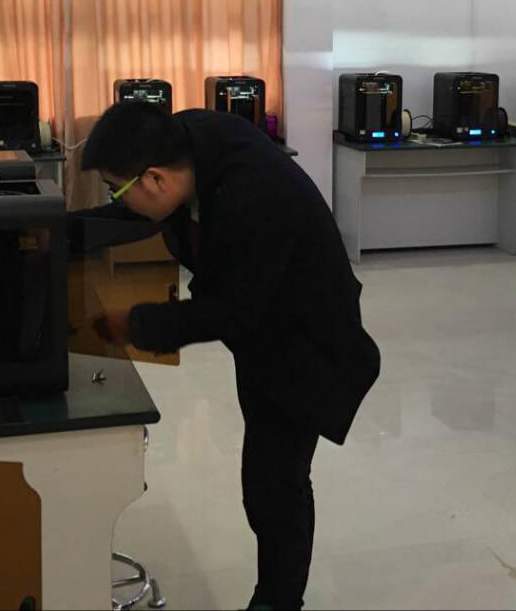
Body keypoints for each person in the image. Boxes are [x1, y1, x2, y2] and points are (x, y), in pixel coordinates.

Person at [76, 101, 382, 609]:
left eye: (115, 188)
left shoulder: (256, 195)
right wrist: (62, 229)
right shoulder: (186, 149)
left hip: (307, 345)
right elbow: (137, 215)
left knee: (276, 485)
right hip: (263, 334)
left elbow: (229, 311)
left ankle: (278, 602)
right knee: (265, 480)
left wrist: (134, 325)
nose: (116, 199)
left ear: (154, 178)